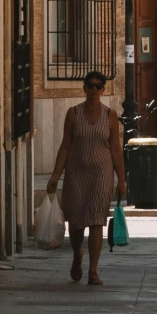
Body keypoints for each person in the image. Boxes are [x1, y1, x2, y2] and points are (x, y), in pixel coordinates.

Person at [46, 70, 125, 285]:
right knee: (77, 222)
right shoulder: (73, 113)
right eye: (90, 85)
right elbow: (65, 146)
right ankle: (77, 254)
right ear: (84, 88)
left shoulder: (110, 116)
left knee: (97, 220)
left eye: (98, 86)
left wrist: (122, 179)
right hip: (76, 172)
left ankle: (93, 269)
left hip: (101, 174)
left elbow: (116, 150)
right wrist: (55, 175)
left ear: (103, 90)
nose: (93, 89)